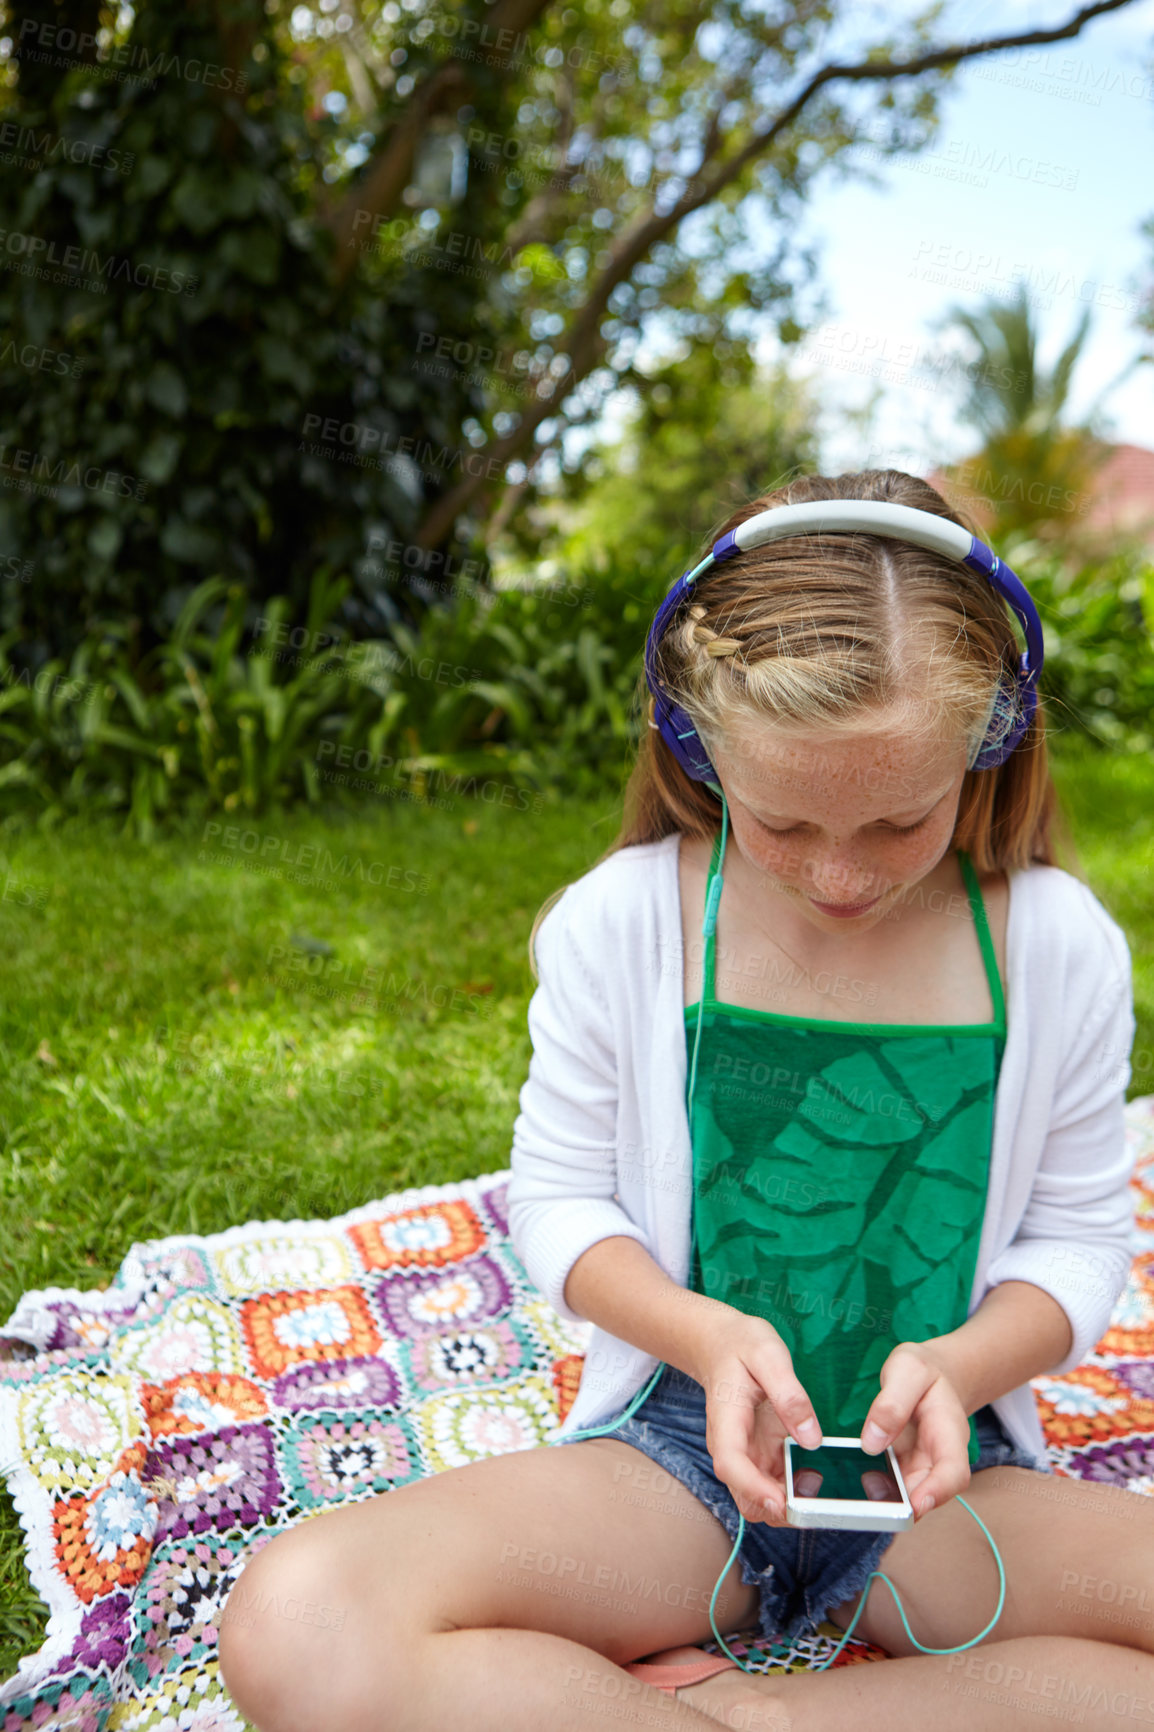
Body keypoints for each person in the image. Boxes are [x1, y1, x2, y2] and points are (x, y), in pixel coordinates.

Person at [218, 469, 1147, 1732]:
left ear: (989, 742)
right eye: (780, 820)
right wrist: (706, 1341)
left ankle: (754, 1715)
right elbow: (558, 1198)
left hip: (948, 1496)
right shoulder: (624, 919)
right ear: (693, 742)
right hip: (675, 1476)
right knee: (300, 1615)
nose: (835, 873)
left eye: (896, 819)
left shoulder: (1057, 947)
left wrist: (953, 1363)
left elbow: (1077, 1238)